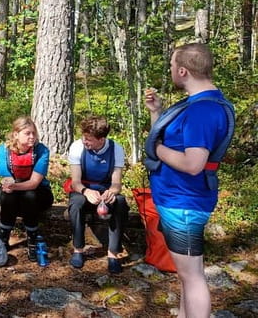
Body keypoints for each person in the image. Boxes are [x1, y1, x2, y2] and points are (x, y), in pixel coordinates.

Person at [144, 42, 234, 318]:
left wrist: (155, 148)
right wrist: (156, 114)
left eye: (172, 65)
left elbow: (193, 164)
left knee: (192, 276)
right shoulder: (201, 104)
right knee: (186, 276)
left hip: (184, 202)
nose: (171, 70)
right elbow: (180, 143)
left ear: (183, 71)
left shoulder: (202, 111)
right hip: (180, 200)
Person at [66, 115, 128, 274]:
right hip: (84, 189)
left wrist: (111, 193)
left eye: (89, 139)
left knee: (120, 203)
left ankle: (113, 253)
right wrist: (86, 192)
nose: (85, 141)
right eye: (84, 137)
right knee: (76, 203)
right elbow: (75, 182)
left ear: (101, 140)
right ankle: (78, 249)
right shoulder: (77, 147)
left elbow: (116, 183)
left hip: (105, 189)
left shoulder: (116, 149)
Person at [0, 116, 54, 261]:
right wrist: (9, 185)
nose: (32, 137)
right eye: (27, 133)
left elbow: (34, 183)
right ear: (16, 134)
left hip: (39, 194)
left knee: (29, 195)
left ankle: (32, 240)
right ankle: (4, 237)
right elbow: (5, 175)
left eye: (34, 133)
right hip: (14, 194)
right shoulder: (4, 150)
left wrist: (13, 186)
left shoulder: (41, 151)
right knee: (8, 196)